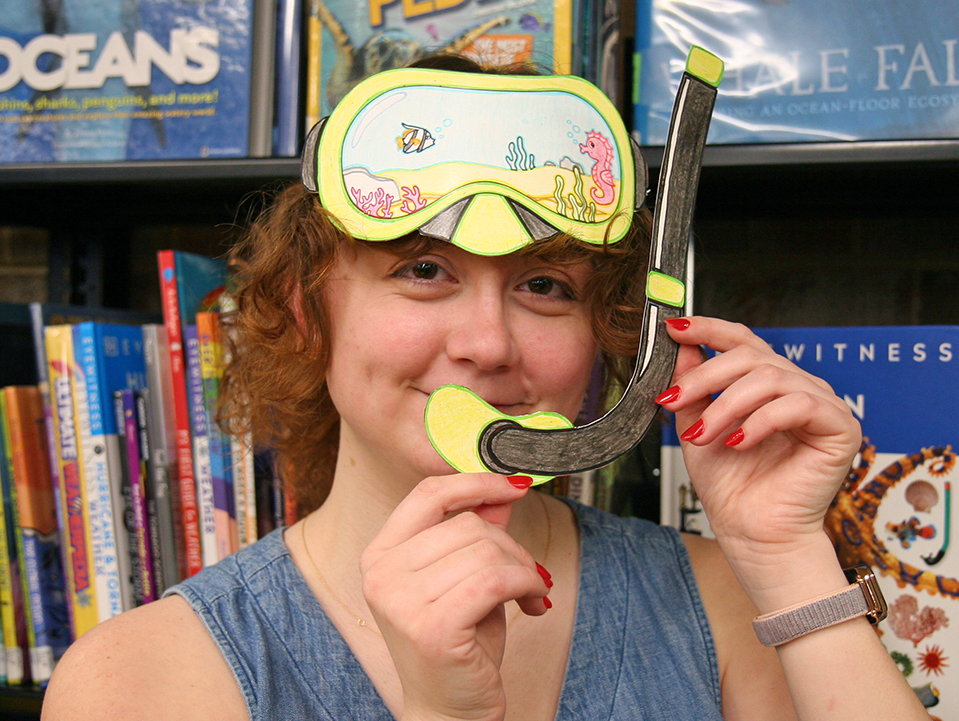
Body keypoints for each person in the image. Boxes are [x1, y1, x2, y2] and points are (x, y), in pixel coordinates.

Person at [42, 55, 929, 721]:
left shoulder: (724, 600)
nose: (487, 344)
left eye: (545, 285)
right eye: (423, 269)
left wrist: (784, 555)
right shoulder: (140, 679)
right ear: (306, 312)